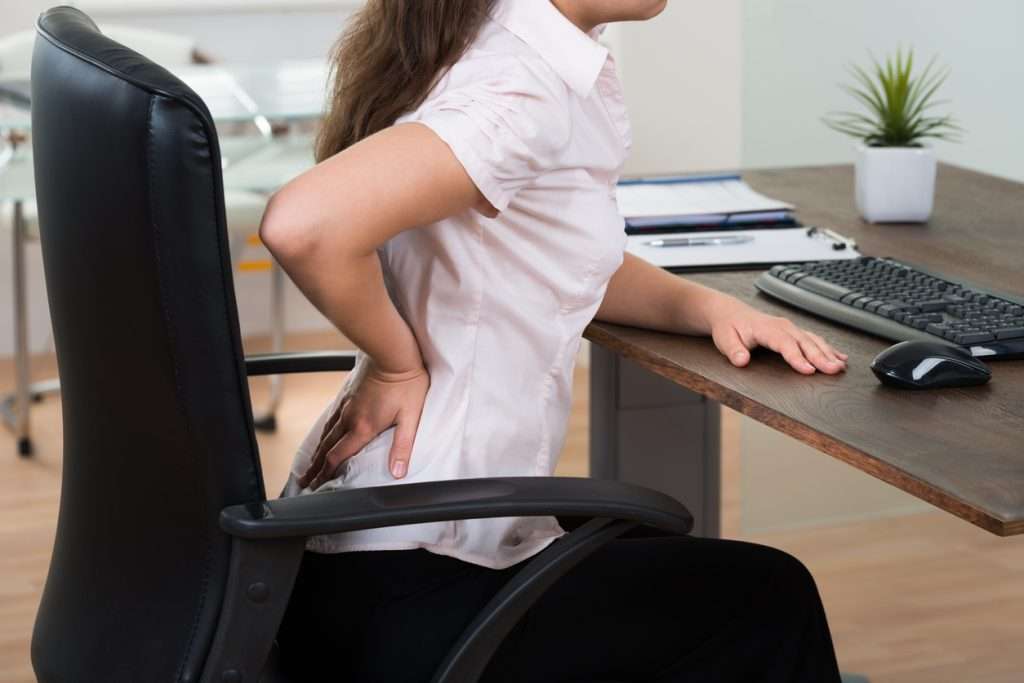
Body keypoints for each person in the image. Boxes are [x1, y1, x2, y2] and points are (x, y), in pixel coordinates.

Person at [261, 0, 846, 680]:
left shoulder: (490, 46)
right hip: (419, 582)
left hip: (342, 562)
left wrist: (704, 306)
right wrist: (395, 365)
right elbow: (307, 224)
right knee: (772, 595)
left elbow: (550, 249)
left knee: (660, 548)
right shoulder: (522, 82)